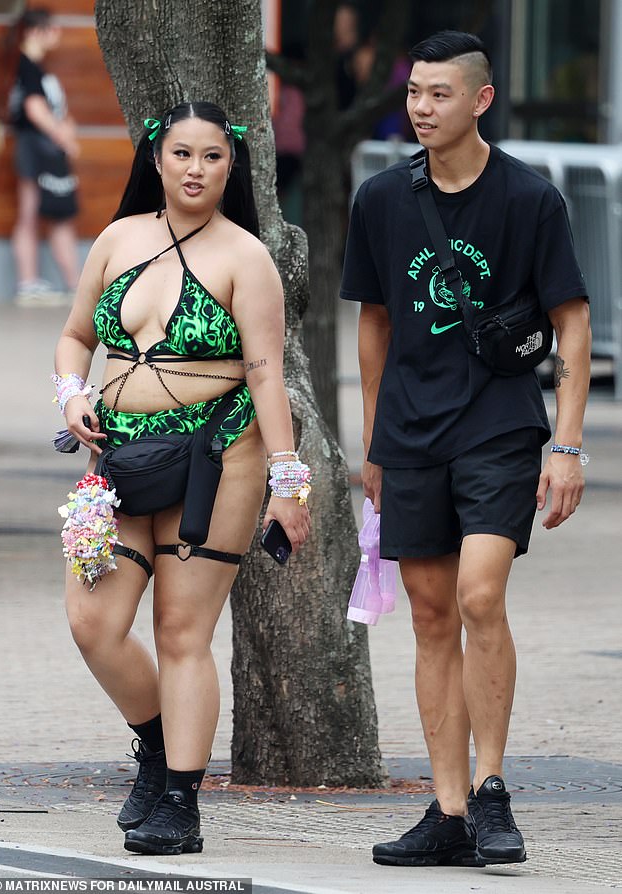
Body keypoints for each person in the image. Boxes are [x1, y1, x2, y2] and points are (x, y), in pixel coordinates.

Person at [340, 31, 591, 868]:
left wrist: (568, 446)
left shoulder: (528, 199)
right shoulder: (380, 198)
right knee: (431, 612)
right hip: (410, 434)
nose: (421, 108)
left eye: (439, 94)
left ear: (480, 100)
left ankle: (491, 793)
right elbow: (372, 321)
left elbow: (574, 323)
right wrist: (373, 440)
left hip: (501, 427)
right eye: (414, 93)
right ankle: (446, 814)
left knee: (481, 596)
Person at [53, 101, 311, 856]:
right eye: (182, 154)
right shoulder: (118, 239)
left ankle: (181, 802)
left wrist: (288, 483)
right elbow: (75, 337)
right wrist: (71, 393)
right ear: (155, 159)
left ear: (233, 166)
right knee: (92, 621)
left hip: (217, 456)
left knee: (180, 630)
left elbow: (268, 380)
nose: (196, 169)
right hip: (120, 456)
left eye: (213, 157)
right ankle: (157, 746)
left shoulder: (245, 257)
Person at [9, 7, 80, 306]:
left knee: (56, 214)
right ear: (37, 31)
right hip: (34, 149)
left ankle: (74, 285)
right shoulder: (27, 67)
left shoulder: (37, 69)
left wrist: (66, 130)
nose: (57, 34)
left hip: (46, 151)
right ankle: (28, 283)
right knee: (29, 212)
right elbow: (35, 110)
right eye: (53, 28)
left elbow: (52, 109)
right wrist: (63, 136)